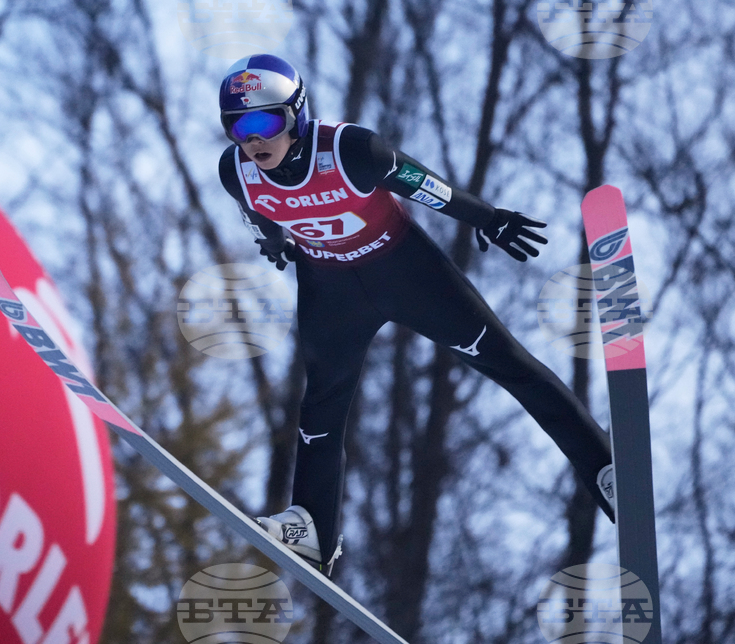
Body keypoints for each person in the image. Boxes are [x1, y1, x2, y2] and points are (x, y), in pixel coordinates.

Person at [217, 54, 616, 577]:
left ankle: (606, 467)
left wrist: (489, 218)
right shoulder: (236, 171)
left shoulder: (352, 150)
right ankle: (314, 528)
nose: (253, 140)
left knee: (508, 362)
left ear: (297, 113)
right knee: (320, 409)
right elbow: (258, 215)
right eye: (238, 127)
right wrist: (274, 244)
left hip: (405, 272)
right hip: (331, 291)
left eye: (265, 122)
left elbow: (428, 187)